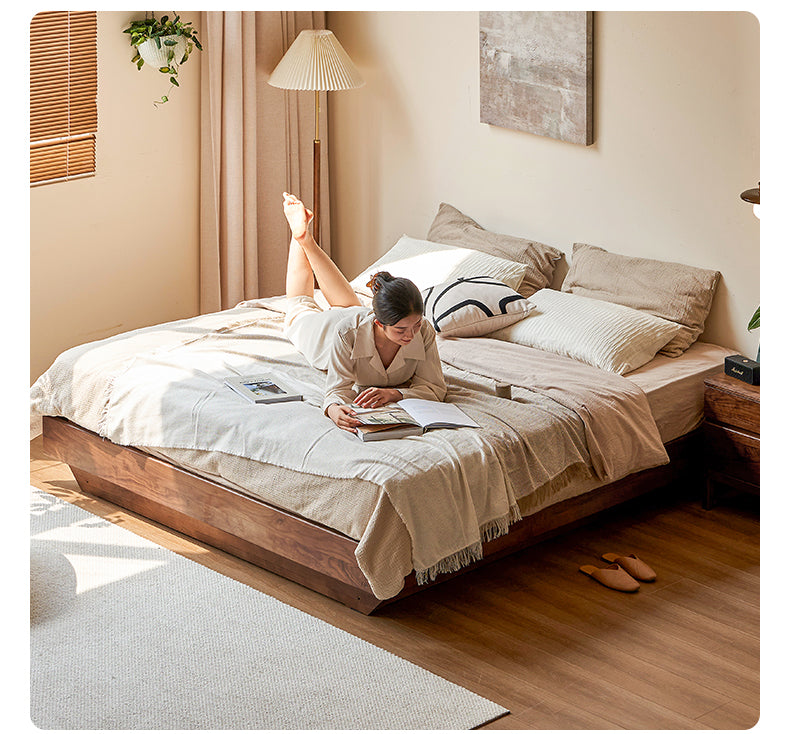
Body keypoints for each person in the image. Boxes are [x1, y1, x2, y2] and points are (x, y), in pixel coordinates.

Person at [281, 192, 446, 433]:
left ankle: (307, 239)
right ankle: (301, 237)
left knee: (349, 305)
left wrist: (395, 394)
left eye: (416, 325)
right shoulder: (345, 334)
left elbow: (434, 387)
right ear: (380, 323)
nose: (411, 335)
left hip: (356, 312)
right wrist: (333, 409)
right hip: (329, 332)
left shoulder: (423, 330)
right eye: (401, 330)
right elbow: (337, 389)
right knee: (299, 307)